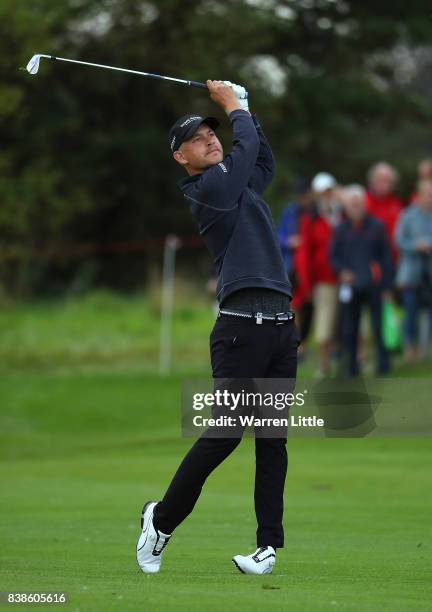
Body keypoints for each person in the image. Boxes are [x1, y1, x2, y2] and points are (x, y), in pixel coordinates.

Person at [136, 81, 299, 575]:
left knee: (273, 440)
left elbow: (261, 160)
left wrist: (246, 109)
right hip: (239, 330)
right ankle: (160, 522)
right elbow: (241, 156)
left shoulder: (240, 184)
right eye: (198, 137)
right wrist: (233, 109)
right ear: (180, 158)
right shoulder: (208, 190)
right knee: (225, 435)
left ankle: (267, 548)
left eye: (212, 131)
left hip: (280, 328)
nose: (210, 138)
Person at [330, 185, 392, 377]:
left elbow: (386, 258)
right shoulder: (341, 229)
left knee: (378, 327)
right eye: (352, 204)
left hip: (374, 286)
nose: (356, 207)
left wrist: (386, 285)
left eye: (359, 204)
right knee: (350, 328)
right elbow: (333, 257)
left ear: (365, 205)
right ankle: (351, 367)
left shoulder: (377, 226)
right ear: (347, 207)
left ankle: (383, 365)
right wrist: (342, 271)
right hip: (350, 286)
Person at [293, 172, 341, 377]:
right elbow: (304, 255)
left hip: (348, 278)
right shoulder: (310, 219)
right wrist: (306, 282)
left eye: (330, 191)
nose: (328, 195)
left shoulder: (344, 213)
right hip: (324, 280)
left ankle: (354, 362)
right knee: (324, 326)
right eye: (324, 192)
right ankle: (324, 366)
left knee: (350, 324)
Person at [395, 179, 432, 361]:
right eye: (427, 194)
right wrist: (416, 245)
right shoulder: (408, 215)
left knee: (428, 313)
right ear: (418, 195)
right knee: (410, 312)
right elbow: (399, 240)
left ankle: (425, 347)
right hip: (411, 274)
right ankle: (409, 346)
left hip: (429, 274)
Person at [277, 179, 314, 353]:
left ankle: (302, 342)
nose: (304, 199)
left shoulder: (315, 213)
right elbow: (279, 237)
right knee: (295, 306)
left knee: (309, 307)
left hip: (311, 266)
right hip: (292, 266)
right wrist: (289, 242)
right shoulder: (290, 212)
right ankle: (297, 345)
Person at [366, 162, 403, 262]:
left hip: (393, 259)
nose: (384, 185)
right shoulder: (363, 201)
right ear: (371, 181)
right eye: (380, 180)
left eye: (388, 181)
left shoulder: (397, 204)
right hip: (368, 259)